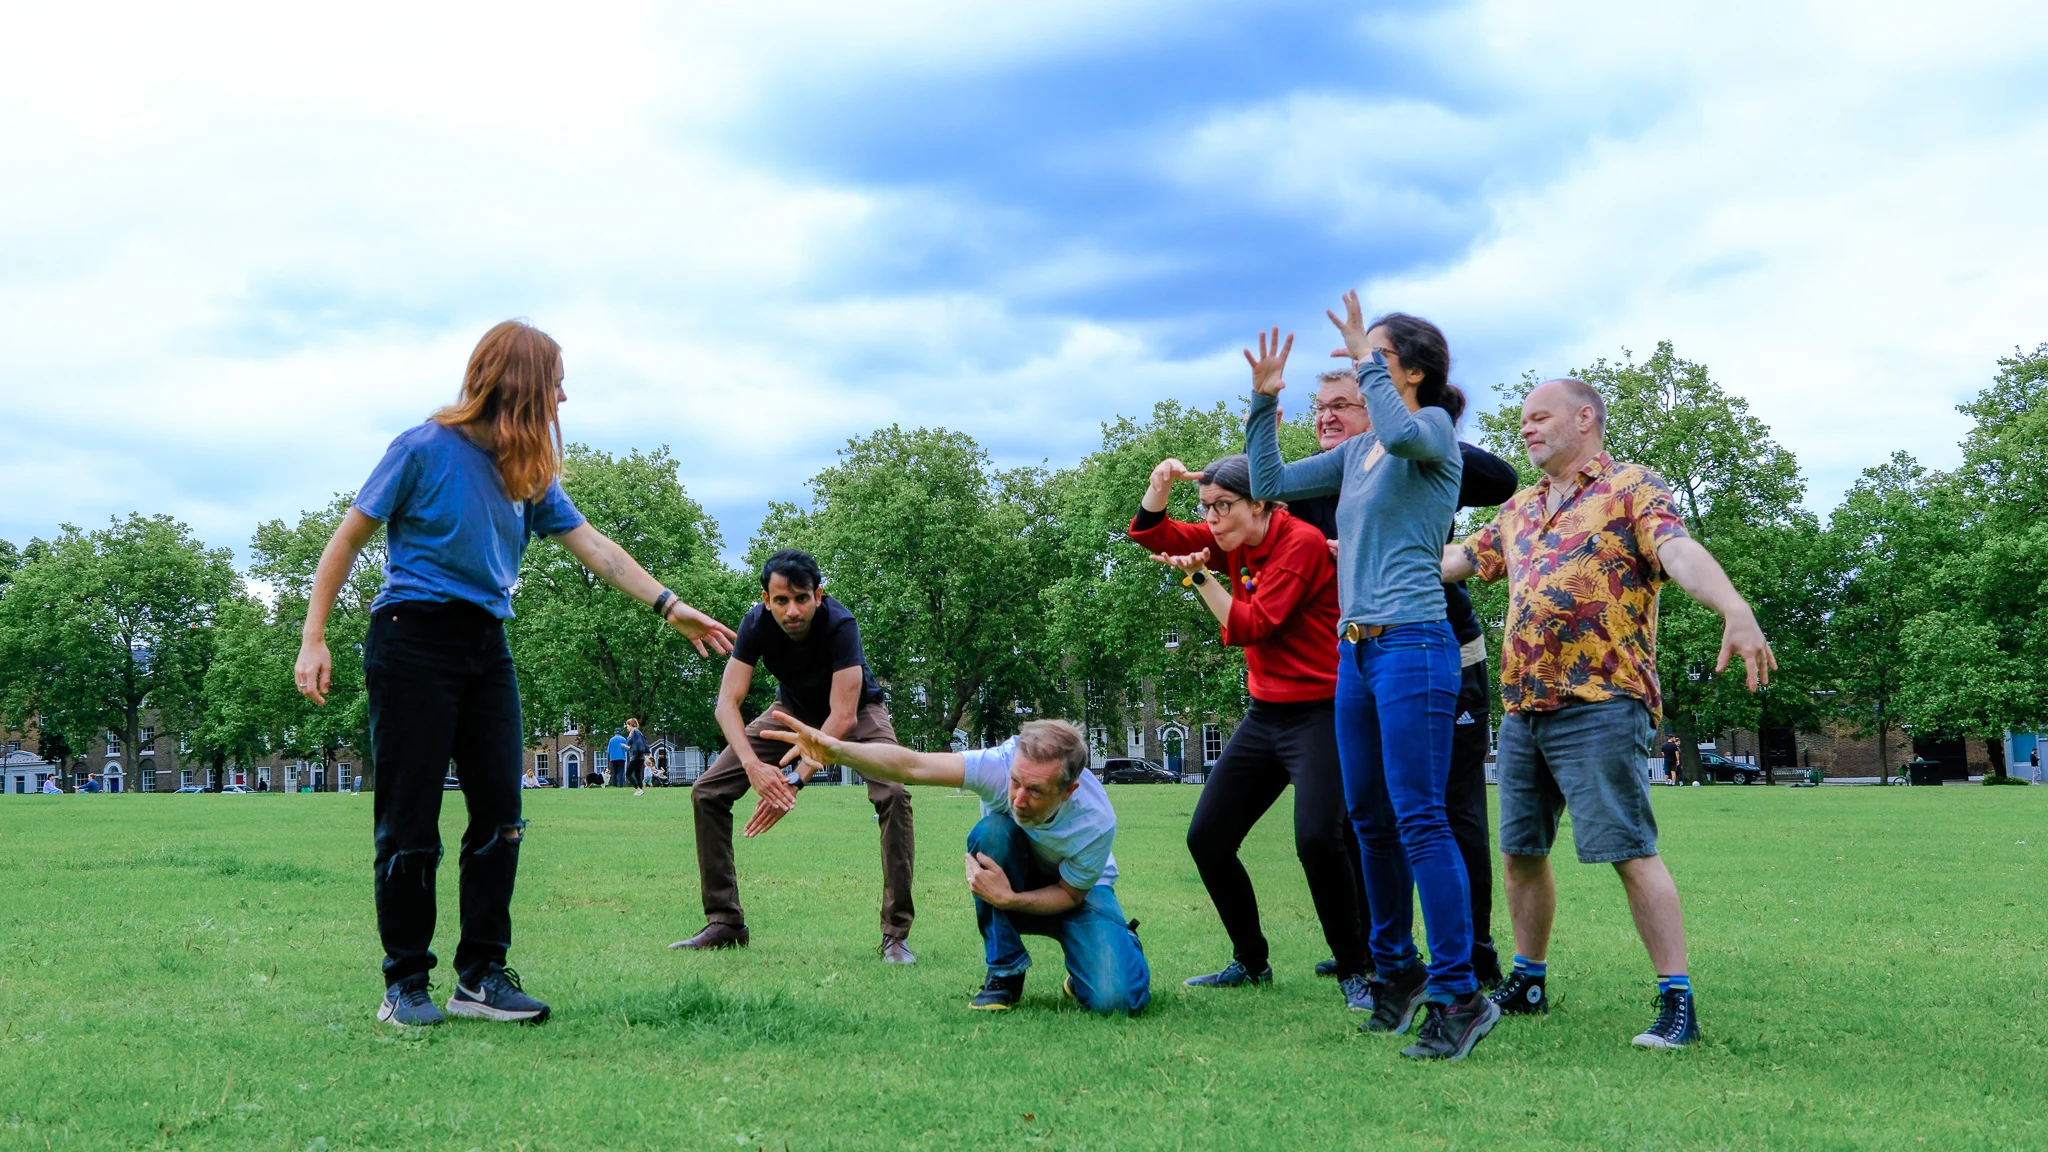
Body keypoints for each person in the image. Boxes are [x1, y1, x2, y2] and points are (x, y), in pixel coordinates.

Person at [293, 319, 737, 1028]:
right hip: (411, 638)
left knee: (502, 817)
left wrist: (669, 604)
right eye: (555, 381)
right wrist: (313, 638)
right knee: (410, 821)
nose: (563, 396)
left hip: (484, 646)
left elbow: (594, 544)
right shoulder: (421, 449)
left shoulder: (526, 473)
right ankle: (405, 983)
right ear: (520, 384)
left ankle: (480, 979)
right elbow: (346, 539)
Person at [1442, 376, 1776, 1050]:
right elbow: (1456, 559)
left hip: (1601, 704)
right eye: (1523, 421)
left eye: (1540, 418)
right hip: (1523, 706)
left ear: (1584, 418)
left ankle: (1677, 1001)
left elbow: (1677, 550)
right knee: (1521, 854)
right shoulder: (1521, 508)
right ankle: (1529, 978)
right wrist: (1366, 560)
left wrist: (1732, 606)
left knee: (1629, 852)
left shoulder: (1632, 488)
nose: (1527, 429)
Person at [1243, 296, 1497, 1062]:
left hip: (1417, 643)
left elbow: (1394, 425)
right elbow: (1270, 479)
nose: (1358, 367)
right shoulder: (1357, 456)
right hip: (1354, 650)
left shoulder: (1432, 434)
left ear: (1412, 372)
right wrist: (1264, 402)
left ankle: (1461, 995)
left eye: (1378, 358)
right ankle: (1398, 972)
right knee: (1369, 821)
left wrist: (1365, 360)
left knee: (1420, 819)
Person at [1292, 365, 1518, 989]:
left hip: (1435, 645)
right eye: (1320, 410)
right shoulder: (1324, 481)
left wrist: (1411, 429)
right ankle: (1385, 955)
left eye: (1344, 406)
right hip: (1362, 654)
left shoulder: (1418, 449)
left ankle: (1474, 956)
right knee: (1365, 814)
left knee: (1449, 810)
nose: (1327, 419)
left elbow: (1501, 478)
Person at [1125, 452, 1371, 1012]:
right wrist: (1157, 488)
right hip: (1266, 715)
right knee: (1207, 839)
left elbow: (1254, 625)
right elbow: (1152, 534)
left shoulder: (1300, 542)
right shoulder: (1232, 536)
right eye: (1205, 508)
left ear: (1260, 503)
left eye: (1223, 506)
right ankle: (1251, 960)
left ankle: (1357, 969)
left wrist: (1198, 577)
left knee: (1316, 838)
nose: (1211, 520)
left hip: (1323, 712)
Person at [763, 711, 1149, 1014]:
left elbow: (1069, 893)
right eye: (1016, 783)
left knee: (1117, 1001)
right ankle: (1005, 971)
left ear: (1069, 790)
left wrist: (1010, 900)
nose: (1018, 799)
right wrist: (838, 750)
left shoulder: (1095, 821)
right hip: (1013, 871)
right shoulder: (997, 765)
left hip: (1075, 893)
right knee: (992, 832)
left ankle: (1106, 952)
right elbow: (912, 766)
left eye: (1036, 791)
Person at [673, 550, 917, 963]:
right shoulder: (755, 623)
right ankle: (725, 922)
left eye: (802, 598)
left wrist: (795, 781)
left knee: (893, 793)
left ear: (818, 595)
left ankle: (895, 935)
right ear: (767, 599)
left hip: (857, 713)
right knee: (707, 792)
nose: (792, 611)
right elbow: (726, 704)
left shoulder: (840, 624)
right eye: (781, 600)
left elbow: (841, 715)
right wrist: (752, 764)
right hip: (791, 711)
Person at [626, 718, 650, 792]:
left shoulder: (634, 731)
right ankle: (641, 790)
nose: (627, 727)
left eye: (627, 725)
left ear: (631, 725)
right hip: (641, 756)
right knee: (637, 775)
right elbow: (636, 744)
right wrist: (627, 747)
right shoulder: (639, 732)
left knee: (628, 774)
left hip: (635, 756)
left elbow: (629, 741)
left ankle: (638, 790)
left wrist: (629, 736)